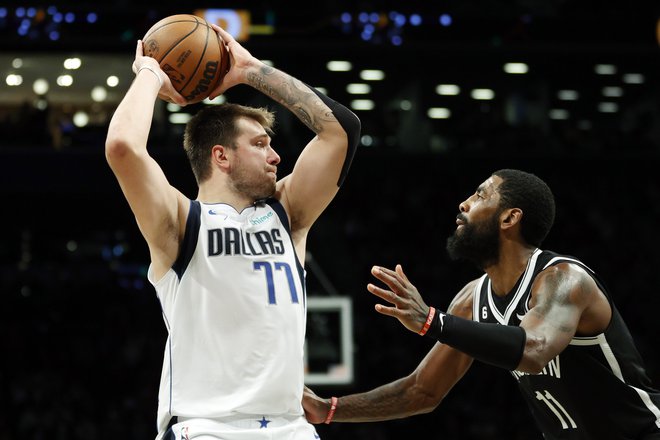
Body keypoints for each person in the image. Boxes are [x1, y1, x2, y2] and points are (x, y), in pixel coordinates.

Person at [105, 23, 360, 440]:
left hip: (290, 427)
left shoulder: (288, 213)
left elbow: (341, 132)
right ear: (220, 156)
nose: (276, 156)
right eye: (260, 144)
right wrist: (151, 72)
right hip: (206, 427)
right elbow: (122, 148)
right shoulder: (180, 221)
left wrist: (251, 70)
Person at [303, 169, 660, 439]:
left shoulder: (563, 280)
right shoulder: (473, 298)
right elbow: (422, 390)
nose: (464, 203)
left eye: (480, 195)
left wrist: (431, 321)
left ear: (509, 218)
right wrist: (329, 409)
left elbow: (534, 350)